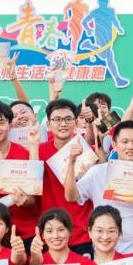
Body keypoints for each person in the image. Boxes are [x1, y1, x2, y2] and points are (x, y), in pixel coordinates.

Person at [66, 120, 133, 255]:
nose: (130, 147)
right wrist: (71, 163)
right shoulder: (98, 172)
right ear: (114, 144)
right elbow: (71, 197)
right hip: (105, 251)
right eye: (124, 142)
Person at [0, 100, 41, 244]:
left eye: (1, 122)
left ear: (10, 125)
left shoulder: (25, 153)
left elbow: (32, 199)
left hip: (27, 232)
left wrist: (25, 200)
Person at [39, 99, 95, 256]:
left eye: (68, 119)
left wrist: (92, 124)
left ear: (76, 122)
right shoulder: (39, 151)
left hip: (83, 232)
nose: (63, 124)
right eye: (57, 119)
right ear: (48, 124)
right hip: (52, 234)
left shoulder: (87, 150)